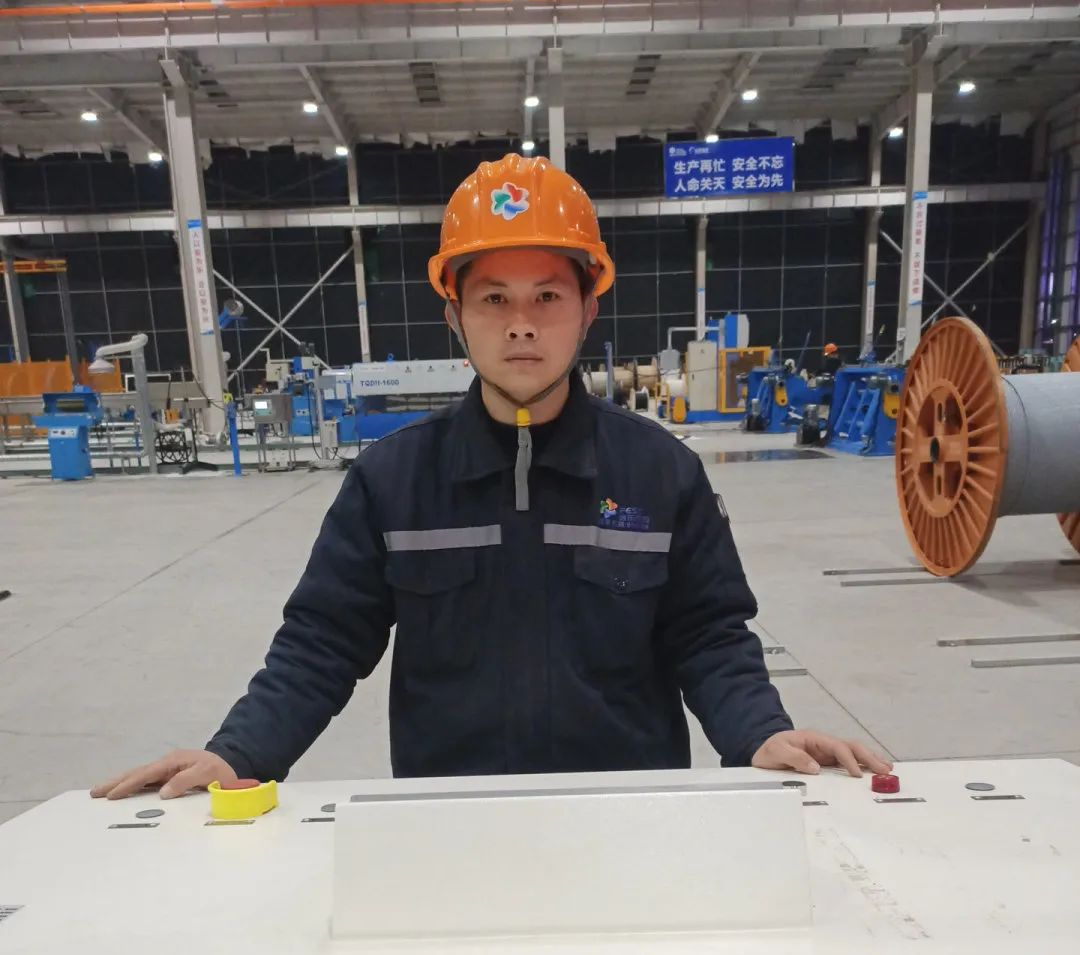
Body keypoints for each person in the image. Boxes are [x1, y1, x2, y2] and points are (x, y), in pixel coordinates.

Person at [92, 154, 891, 802]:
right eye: (493, 298)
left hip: (632, 818)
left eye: (548, 295)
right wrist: (239, 751)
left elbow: (709, 634)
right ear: (455, 315)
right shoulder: (392, 481)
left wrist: (760, 732)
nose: (521, 323)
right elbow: (322, 642)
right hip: (449, 825)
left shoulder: (660, 473)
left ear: (588, 308)